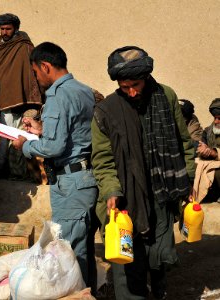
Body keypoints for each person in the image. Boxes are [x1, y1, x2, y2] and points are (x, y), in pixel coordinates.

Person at [91, 46, 195, 299]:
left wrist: (188, 178)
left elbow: (184, 143)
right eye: (125, 86)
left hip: (162, 195)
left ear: (147, 77)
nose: (132, 91)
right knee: (127, 264)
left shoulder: (166, 97)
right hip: (125, 200)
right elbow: (103, 160)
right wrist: (112, 191)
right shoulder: (106, 111)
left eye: (135, 84)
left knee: (158, 258)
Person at [12, 42, 98, 290]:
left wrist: (25, 146)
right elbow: (75, 132)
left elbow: (53, 148)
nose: (37, 79)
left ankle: (79, 294)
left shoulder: (58, 96)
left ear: (45, 66)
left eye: (36, 73)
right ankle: (87, 292)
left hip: (71, 184)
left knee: (70, 252)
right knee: (83, 248)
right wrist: (42, 130)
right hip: (85, 179)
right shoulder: (83, 90)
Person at [0, 13, 42, 179]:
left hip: (18, 103)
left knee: (14, 140)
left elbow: (30, 72)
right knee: (1, 140)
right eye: (2, 29)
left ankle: (13, 173)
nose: (4, 32)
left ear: (16, 28)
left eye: (8, 29)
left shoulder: (24, 46)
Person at [193, 98, 220, 203]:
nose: (216, 121)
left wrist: (214, 153)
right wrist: (203, 151)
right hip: (210, 163)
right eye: (214, 118)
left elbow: (213, 152)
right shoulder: (208, 131)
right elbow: (203, 147)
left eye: (219, 118)